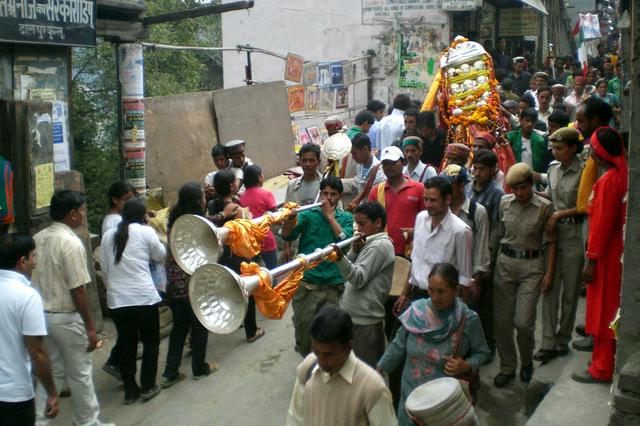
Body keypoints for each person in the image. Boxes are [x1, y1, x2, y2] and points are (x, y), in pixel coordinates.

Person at [31, 190, 112, 426]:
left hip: (40, 316)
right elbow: (78, 289)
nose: (84, 214)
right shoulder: (70, 243)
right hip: (65, 318)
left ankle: (39, 420)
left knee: (51, 371)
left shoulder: (39, 238)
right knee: (80, 372)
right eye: (82, 210)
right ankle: (87, 421)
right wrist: (90, 327)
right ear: (73, 214)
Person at [377, 263, 490, 426]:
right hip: (410, 398)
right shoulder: (416, 312)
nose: (435, 297)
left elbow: (483, 353)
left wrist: (466, 365)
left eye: (441, 291)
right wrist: (379, 370)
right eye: (431, 290)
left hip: (442, 408)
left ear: (456, 290)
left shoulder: (468, 320)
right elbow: (398, 345)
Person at [493, 163, 556, 388]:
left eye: (524, 187)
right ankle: (507, 367)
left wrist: (548, 273)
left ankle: (526, 362)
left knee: (523, 323)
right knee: (502, 322)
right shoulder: (504, 204)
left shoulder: (544, 207)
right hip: (505, 264)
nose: (519, 193)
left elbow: (550, 243)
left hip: (532, 266)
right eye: (515, 188)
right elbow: (498, 234)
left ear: (531, 185)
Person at [572, 127, 626, 384]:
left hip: (606, 254)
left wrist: (592, 260)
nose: (591, 152)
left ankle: (601, 367)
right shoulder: (621, 173)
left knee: (604, 307)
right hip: (615, 250)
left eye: (593, 148)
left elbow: (602, 224)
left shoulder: (609, 181)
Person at [100, 198, 166, 404]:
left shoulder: (108, 236)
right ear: (143, 215)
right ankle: (148, 385)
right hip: (143, 298)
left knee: (127, 345)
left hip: (118, 301)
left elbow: (104, 267)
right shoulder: (145, 232)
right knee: (150, 341)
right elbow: (160, 255)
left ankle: (130, 390)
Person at [287, 306, 397, 426]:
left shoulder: (372, 388)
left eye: (329, 354)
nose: (322, 361)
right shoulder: (309, 367)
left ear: (348, 347)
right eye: (317, 352)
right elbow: (295, 417)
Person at [282, 176, 354, 356]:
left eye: (333, 194)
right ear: (320, 194)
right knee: (304, 333)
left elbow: (345, 242)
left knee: (330, 336)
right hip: (307, 285)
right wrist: (289, 220)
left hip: (332, 287)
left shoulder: (346, 218)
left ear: (340, 196)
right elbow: (287, 236)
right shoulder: (308, 214)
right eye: (325, 193)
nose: (328, 198)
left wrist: (330, 216)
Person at [534, 128, 585, 363]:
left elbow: (585, 205)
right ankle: (547, 342)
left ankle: (563, 338)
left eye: (560, 148)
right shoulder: (553, 169)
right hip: (553, 234)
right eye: (553, 148)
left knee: (571, 289)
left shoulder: (584, 171)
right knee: (549, 286)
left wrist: (559, 214)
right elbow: (550, 194)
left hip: (575, 232)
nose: (555, 152)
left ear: (573, 148)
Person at [162, 182, 217, 389]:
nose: (205, 199)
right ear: (197, 201)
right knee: (200, 325)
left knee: (179, 327)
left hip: (174, 284)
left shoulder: (173, 221)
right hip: (193, 284)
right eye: (203, 196)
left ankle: (170, 371)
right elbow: (212, 231)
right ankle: (199, 367)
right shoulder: (197, 223)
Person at [0, 233, 59, 424]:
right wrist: (51, 392)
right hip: (13, 393)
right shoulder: (27, 296)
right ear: (22, 261)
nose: (35, 262)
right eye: (33, 256)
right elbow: (37, 353)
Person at [394, 177, 473, 311]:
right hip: (415, 295)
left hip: (443, 302)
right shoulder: (420, 219)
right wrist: (403, 294)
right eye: (426, 199)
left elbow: (464, 277)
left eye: (433, 200)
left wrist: (461, 315)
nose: (428, 204)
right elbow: (415, 260)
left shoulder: (461, 231)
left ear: (447, 200)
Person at [334, 201, 394, 368]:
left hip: (366, 324)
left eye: (362, 224)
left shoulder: (380, 245)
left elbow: (358, 278)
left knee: (364, 375)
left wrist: (340, 258)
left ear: (378, 223)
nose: (358, 228)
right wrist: (353, 250)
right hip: (354, 321)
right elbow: (346, 275)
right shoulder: (367, 243)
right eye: (356, 223)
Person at [210, 170, 265, 343]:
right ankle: (251, 330)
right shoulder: (235, 208)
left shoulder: (212, 205)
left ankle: (237, 320)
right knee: (246, 289)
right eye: (235, 182)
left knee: (230, 288)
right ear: (232, 186)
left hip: (220, 254)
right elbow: (245, 232)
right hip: (238, 254)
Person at [467, 150, 505, 360]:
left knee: (486, 303)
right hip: (469, 248)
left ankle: (489, 345)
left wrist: (488, 260)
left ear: (493, 170)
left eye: (482, 169)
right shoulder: (468, 188)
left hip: (487, 252)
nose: (478, 172)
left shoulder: (497, 193)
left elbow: (497, 229)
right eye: (476, 168)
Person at [100, 181, 135, 381]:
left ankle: (117, 361)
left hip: (120, 284)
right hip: (120, 285)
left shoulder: (117, 219)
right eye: (126, 200)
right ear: (115, 200)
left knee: (127, 331)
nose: (129, 204)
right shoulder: (113, 223)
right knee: (127, 332)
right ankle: (114, 362)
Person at [441, 165, 490, 305]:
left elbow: (481, 249)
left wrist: (475, 281)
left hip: (466, 278)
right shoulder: (442, 209)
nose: (445, 189)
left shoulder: (477, 212)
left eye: (449, 185)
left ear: (462, 186)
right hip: (443, 277)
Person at [368, 146, 425, 258]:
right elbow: (369, 221)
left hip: (411, 251)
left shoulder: (419, 189)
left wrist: (415, 232)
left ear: (403, 163)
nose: (389, 167)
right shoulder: (376, 191)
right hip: (382, 251)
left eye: (393, 163)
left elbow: (427, 220)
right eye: (385, 164)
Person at [283, 143, 323, 262]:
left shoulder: (326, 184)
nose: (308, 164)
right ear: (299, 161)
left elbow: (337, 213)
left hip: (321, 239)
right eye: (304, 160)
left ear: (318, 162)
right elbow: (287, 215)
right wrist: (287, 246)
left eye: (312, 160)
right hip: (299, 240)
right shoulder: (292, 185)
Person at [239, 165, 279, 269]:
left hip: (251, 241)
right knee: (273, 271)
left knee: (254, 273)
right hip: (266, 238)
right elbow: (277, 217)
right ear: (259, 177)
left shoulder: (242, 197)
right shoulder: (266, 194)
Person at [342, 133, 386, 211]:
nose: (353, 157)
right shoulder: (359, 166)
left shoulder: (380, 172)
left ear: (365, 149)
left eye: (355, 153)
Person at [507, 108, 548, 181]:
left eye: (533, 121)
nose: (530, 124)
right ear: (520, 120)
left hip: (533, 182)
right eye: (527, 120)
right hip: (514, 178)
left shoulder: (540, 141)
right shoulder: (511, 137)